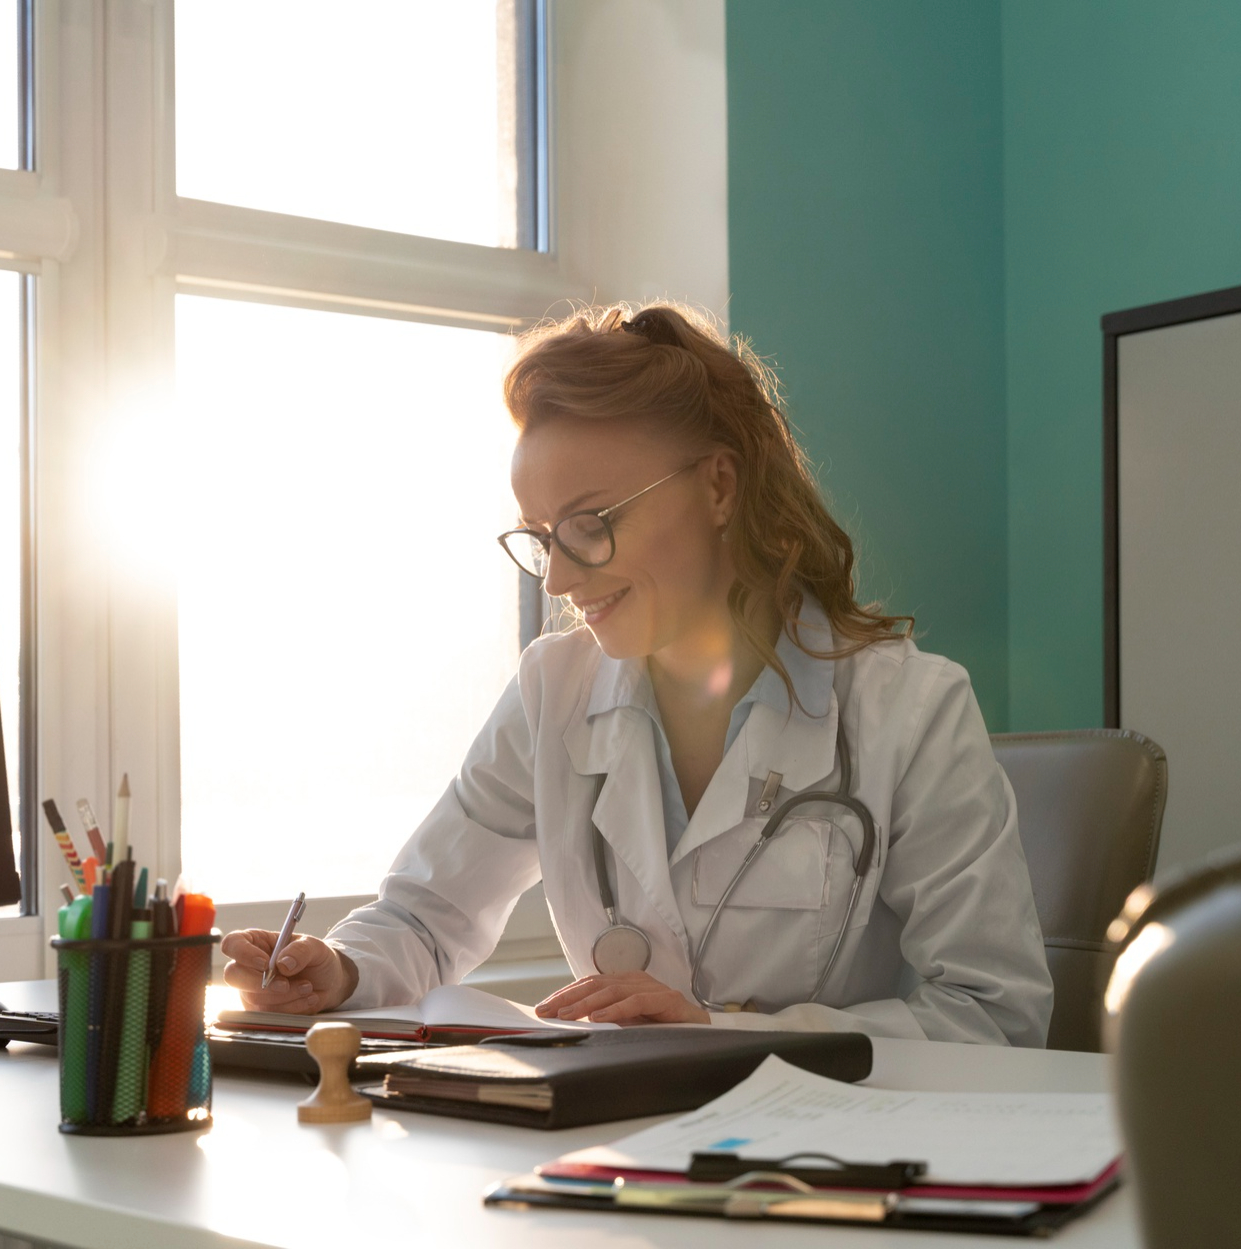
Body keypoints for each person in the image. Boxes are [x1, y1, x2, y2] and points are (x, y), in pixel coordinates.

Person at [221, 303, 1052, 1045]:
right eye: (543, 536)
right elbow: (425, 917)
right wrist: (340, 967)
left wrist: (718, 1033)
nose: (557, 579)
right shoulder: (555, 690)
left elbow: (994, 1014)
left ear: (719, 486)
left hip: (833, 1181)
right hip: (620, 1162)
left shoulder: (909, 708)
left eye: (590, 522)